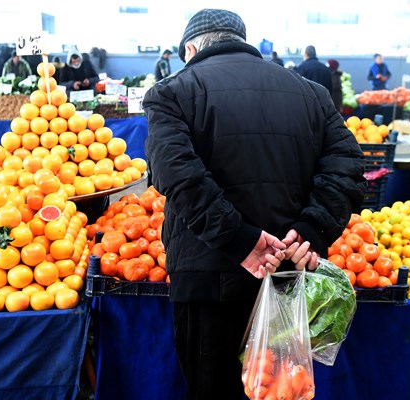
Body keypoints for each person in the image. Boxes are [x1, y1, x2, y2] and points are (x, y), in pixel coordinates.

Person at [143, 8, 365, 399]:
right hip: (289, 280)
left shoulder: (172, 91)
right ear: (242, 41)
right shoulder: (310, 93)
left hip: (208, 280)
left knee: (212, 387)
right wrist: (311, 231)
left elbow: (175, 174)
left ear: (191, 47)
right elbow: (347, 167)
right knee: (280, 390)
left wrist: (239, 240)